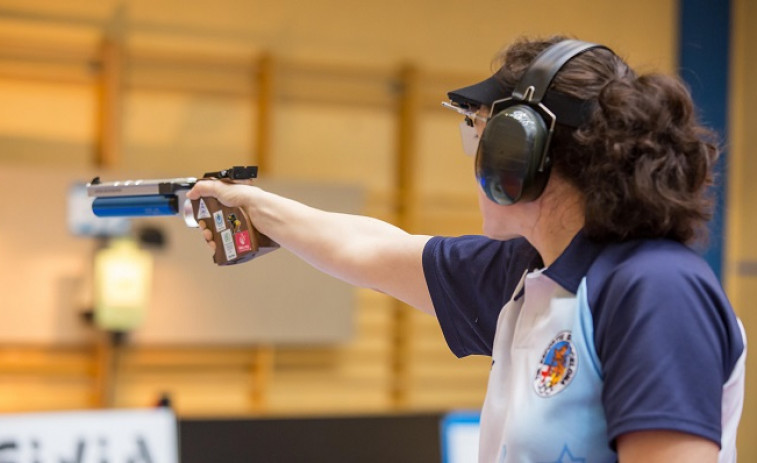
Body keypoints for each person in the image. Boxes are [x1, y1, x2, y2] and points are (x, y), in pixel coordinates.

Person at [187, 36, 746, 462]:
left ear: (521, 149)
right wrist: (255, 208)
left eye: (482, 131)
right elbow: (371, 249)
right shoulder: (528, 276)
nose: (474, 153)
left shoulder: (654, 289)